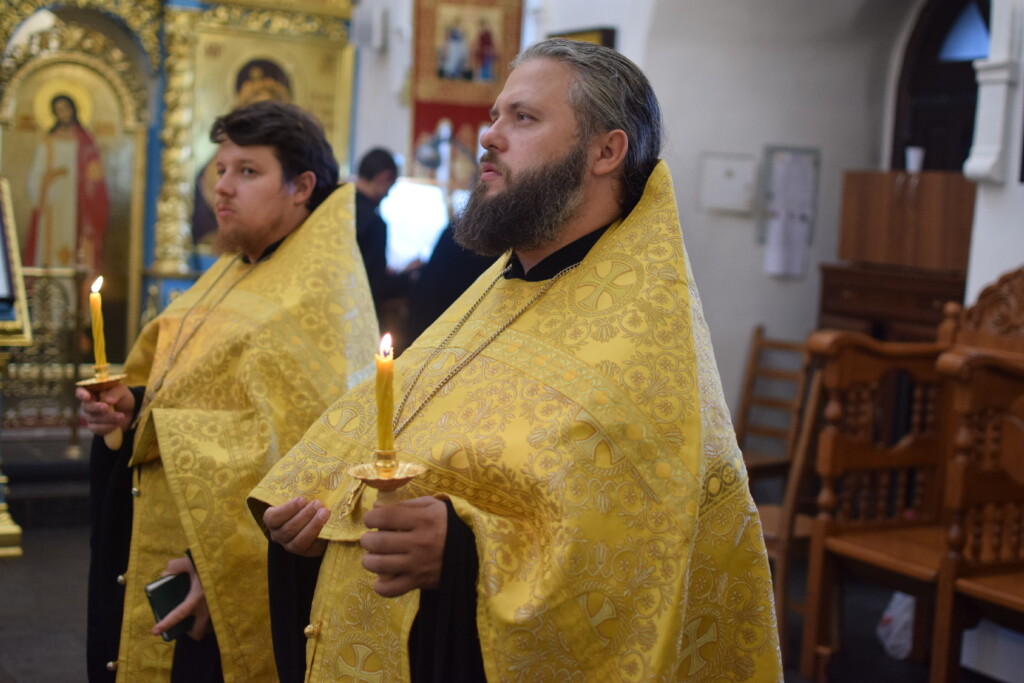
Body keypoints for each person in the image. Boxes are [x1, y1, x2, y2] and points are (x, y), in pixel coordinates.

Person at [251, 39, 782, 681]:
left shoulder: (639, 348)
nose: (489, 137)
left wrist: (464, 555)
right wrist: (320, 516)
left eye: (523, 118)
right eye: (496, 115)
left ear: (606, 152)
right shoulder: (496, 291)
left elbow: (641, 565)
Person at [78, 100, 378, 682]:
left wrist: (212, 567)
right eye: (220, 170)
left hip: (219, 561)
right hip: (155, 527)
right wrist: (131, 405)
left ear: (302, 187)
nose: (223, 188)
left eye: (248, 171)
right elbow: (186, 381)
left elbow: (302, 455)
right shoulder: (235, 265)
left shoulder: (316, 295)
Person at [24, 94, 109, 272]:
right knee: (49, 249)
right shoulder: (47, 141)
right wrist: (50, 178)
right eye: (58, 110)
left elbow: (95, 178)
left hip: (78, 204)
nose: (63, 113)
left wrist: (86, 188)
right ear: (54, 113)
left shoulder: (85, 142)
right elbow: (35, 175)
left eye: (66, 108)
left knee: (74, 250)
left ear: (73, 109)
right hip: (52, 200)